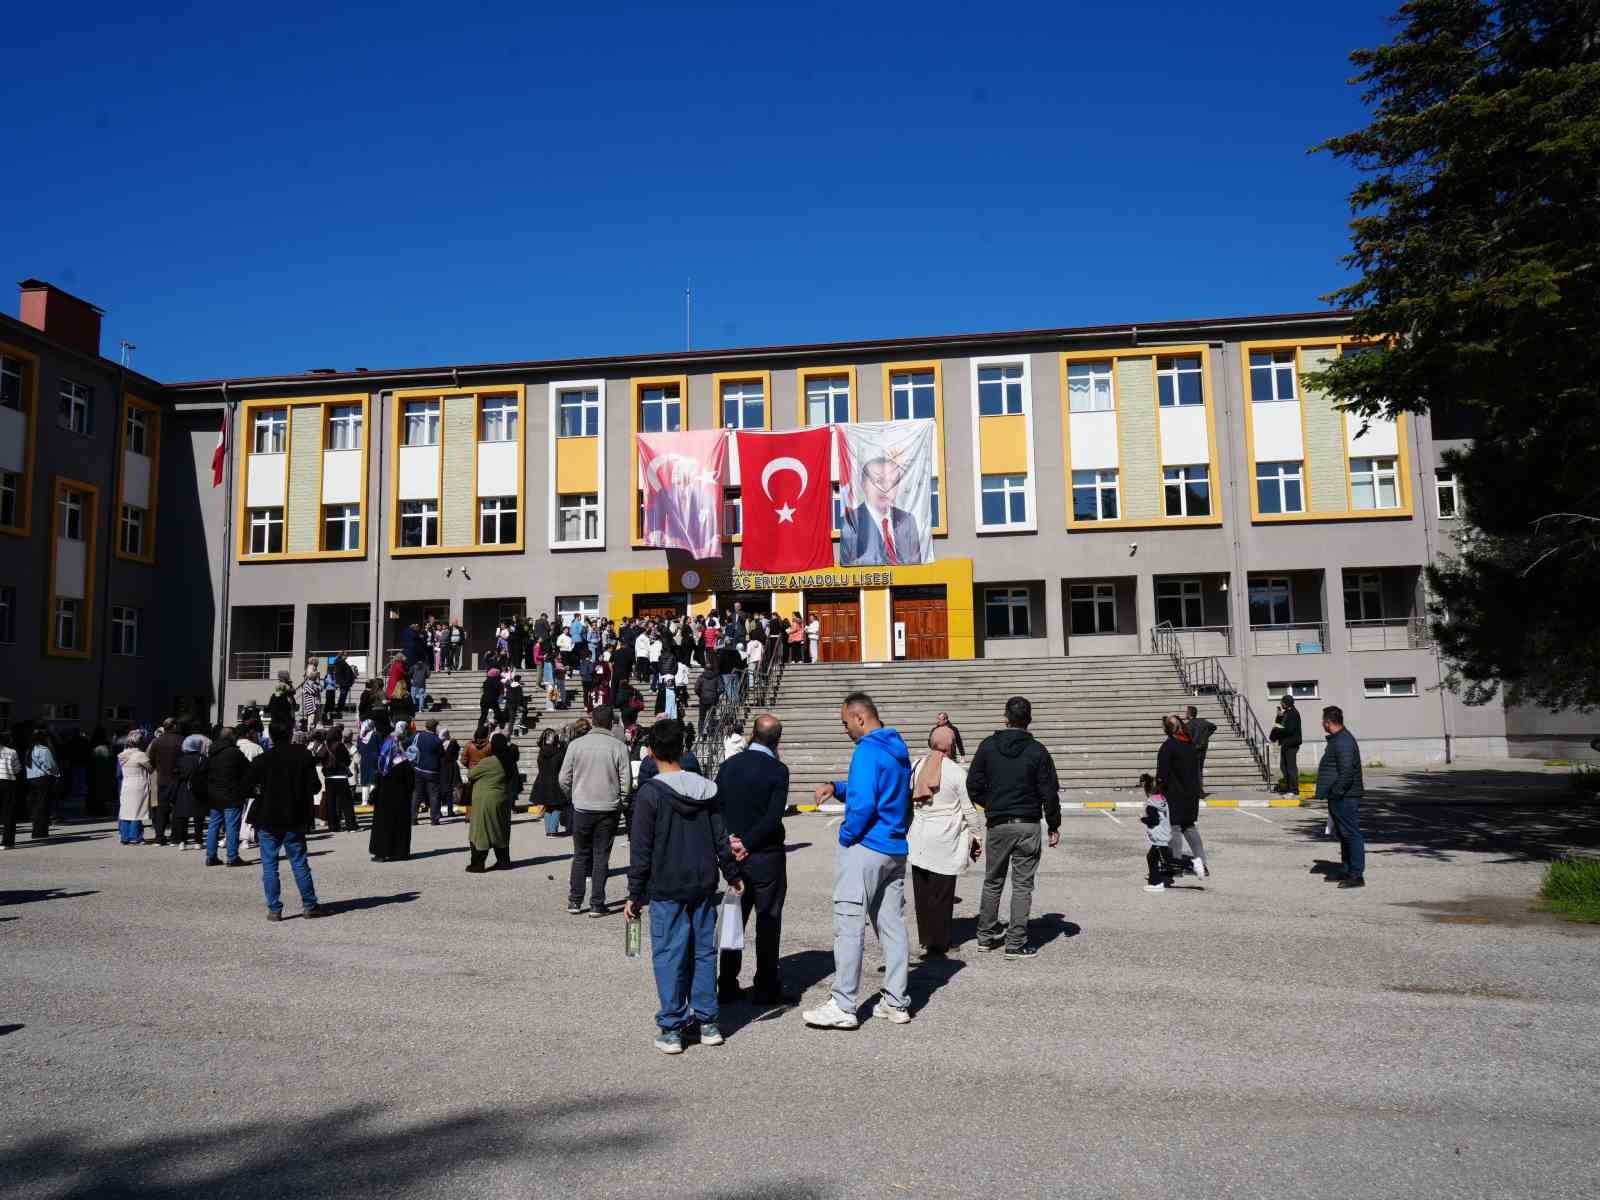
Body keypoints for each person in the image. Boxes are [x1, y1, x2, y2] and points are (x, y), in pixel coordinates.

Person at [623, 718, 745, 1055]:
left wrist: (634, 893)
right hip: (704, 882)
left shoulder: (651, 794)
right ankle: (707, 1021)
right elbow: (721, 837)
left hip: (667, 885)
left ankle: (673, 1026)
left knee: (669, 954)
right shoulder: (706, 789)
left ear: (651, 753)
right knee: (703, 952)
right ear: (682, 748)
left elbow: (641, 849)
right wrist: (732, 873)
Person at [804, 692, 914, 1030]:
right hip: (894, 847)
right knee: (892, 926)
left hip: (866, 846)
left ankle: (843, 1004)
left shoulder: (866, 749)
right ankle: (896, 1001)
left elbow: (864, 802)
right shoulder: (897, 747)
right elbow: (881, 789)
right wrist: (837, 786)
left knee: (849, 924)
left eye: (846, 723)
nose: (845, 730)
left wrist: (847, 836)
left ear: (860, 718)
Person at [967, 695, 1062, 959]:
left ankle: (985, 937)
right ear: (1029, 720)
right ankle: (1015, 942)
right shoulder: (1038, 751)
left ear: (1005, 718)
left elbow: (972, 785)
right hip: (1027, 824)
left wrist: (993, 804)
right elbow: (1050, 792)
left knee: (993, 881)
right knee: (1022, 885)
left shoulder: (988, 746)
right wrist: (1054, 824)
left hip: (998, 823)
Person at [715, 714, 797, 1005]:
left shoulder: (727, 767)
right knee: (768, 919)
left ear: (752, 734)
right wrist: (747, 843)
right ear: (777, 740)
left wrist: (731, 841)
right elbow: (773, 816)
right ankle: (765, 985)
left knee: (734, 920)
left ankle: (726, 983)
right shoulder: (778, 770)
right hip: (765, 855)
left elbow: (718, 808)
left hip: (734, 852)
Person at [908, 724, 984, 958]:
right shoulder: (956, 772)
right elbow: (968, 809)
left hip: (919, 836)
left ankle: (926, 938)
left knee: (922, 891)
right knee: (942, 893)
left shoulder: (916, 766)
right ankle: (940, 943)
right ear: (951, 745)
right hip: (945, 839)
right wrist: (977, 834)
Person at [247, 719, 325, 921]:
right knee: (299, 862)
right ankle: (309, 904)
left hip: (267, 816)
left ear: (270, 736)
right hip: (295, 815)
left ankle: (274, 908)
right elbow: (315, 786)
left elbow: (249, 788)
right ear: (290, 733)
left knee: (269, 865)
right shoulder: (303, 756)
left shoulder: (262, 760)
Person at [558, 704, 631, 916]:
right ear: (611, 723)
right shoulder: (619, 747)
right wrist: (622, 801)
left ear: (592, 720)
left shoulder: (576, 745)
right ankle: (597, 903)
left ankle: (575, 900)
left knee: (580, 854)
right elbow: (626, 781)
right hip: (608, 807)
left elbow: (563, 778)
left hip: (582, 805)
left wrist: (573, 796)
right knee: (601, 856)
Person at [839, 455, 926, 566]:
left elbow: (916, 565)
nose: (885, 488)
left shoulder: (907, 520)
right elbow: (847, 566)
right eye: (879, 481)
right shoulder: (851, 521)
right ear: (863, 485)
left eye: (892, 482)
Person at [1316, 706, 1366, 889]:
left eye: (1323, 720)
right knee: (1344, 835)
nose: (1322, 723)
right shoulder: (1339, 739)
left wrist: (1336, 793)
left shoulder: (1343, 741)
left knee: (1351, 834)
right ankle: (1347, 870)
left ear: (1328, 722)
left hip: (1345, 796)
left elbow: (1347, 772)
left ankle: (1356, 875)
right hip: (1340, 795)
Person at [1156, 714, 1206, 879]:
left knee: (1174, 828)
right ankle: (1202, 862)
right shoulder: (1190, 746)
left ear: (1167, 729)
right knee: (1189, 827)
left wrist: (1157, 792)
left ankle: (1176, 865)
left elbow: (1162, 774)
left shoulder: (1168, 746)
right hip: (1191, 794)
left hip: (1174, 794)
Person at [466, 732, 517, 872]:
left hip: (486, 801)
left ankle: (477, 864)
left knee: (481, 831)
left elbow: (471, 774)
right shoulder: (509, 760)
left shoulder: (489, 761)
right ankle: (503, 861)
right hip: (502, 798)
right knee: (500, 830)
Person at [368, 722, 415, 862]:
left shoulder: (382, 763)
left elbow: (377, 780)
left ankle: (381, 853)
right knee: (400, 827)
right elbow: (411, 784)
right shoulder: (405, 762)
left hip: (383, 799)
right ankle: (400, 852)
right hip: (401, 799)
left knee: (383, 826)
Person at [204, 728, 250, 866]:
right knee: (232, 826)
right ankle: (232, 857)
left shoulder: (212, 752)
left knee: (214, 826)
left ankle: (211, 856)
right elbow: (248, 769)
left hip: (214, 793)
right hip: (231, 794)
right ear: (231, 737)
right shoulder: (234, 753)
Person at [114, 731, 157, 847]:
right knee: (137, 812)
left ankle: (124, 836)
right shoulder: (140, 755)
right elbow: (151, 768)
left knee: (125, 811)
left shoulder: (122, 755)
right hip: (138, 783)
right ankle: (136, 836)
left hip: (126, 783)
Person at [1137, 772, 1174, 892]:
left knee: (1160, 858)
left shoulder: (1151, 804)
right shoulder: (1162, 799)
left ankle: (1156, 883)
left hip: (1159, 837)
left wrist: (1142, 819)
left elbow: (1153, 820)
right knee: (1154, 857)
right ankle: (1155, 881)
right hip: (1164, 834)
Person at [148, 720, 182, 845]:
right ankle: (175, 837)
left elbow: (150, 759)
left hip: (162, 778)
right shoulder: (181, 740)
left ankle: (159, 836)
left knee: (162, 809)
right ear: (174, 726)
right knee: (177, 808)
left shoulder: (157, 741)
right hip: (177, 777)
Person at [24, 729, 61, 841]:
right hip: (43, 779)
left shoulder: (30, 749)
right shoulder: (44, 750)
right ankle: (41, 831)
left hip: (32, 778)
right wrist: (57, 774)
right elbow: (50, 765)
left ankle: (36, 830)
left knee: (35, 806)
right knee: (43, 805)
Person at [531, 728, 567, 834]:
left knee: (548, 807)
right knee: (557, 807)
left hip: (542, 781)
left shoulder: (541, 751)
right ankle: (553, 830)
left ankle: (548, 830)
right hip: (555, 781)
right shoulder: (559, 752)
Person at [324, 724, 358, 832]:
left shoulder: (326, 746)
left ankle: (333, 826)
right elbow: (347, 761)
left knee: (331, 802)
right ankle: (351, 825)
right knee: (346, 803)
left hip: (329, 777)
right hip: (341, 777)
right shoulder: (341, 746)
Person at [412, 719, 446, 825]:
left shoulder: (418, 736)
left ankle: (413, 818)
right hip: (432, 771)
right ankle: (434, 818)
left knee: (417, 794)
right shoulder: (436, 740)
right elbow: (442, 754)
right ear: (435, 727)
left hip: (418, 769)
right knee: (434, 795)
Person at [1271, 695, 1303, 796]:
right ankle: (1289, 788)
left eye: (1282, 702)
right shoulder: (1286, 713)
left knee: (1291, 767)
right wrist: (1279, 716)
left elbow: (1289, 729)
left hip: (1291, 744)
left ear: (1286, 703)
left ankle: (1294, 790)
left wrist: (1277, 730)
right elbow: (1279, 724)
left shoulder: (1293, 713)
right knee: (1283, 766)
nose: (1281, 704)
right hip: (1285, 744)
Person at [1184, 704, 1217, 798]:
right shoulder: (1203, 722)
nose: (1185, 714)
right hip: (1202, 749)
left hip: (1193, 750)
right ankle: (1198, 790)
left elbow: (1186, 738)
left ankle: (1197, 791)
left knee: (1194, 771)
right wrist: (1206, 736)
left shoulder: (1188, 725)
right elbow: (1214, 727)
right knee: (1199, 770)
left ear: (1189, 714)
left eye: (1186, 712)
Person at [88, 728, 116, 818]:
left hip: (93, 771)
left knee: (94, 790)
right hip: (103, 772)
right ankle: (101, 809)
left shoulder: (92, 744)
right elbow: (110, 760)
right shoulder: (105, 747)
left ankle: (92, 808)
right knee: (102, 792)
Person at [0, 731, 21, 849]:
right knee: (9, 813)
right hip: (8, 782)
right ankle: (7, 842)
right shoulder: (11, 752)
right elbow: (17, 769)